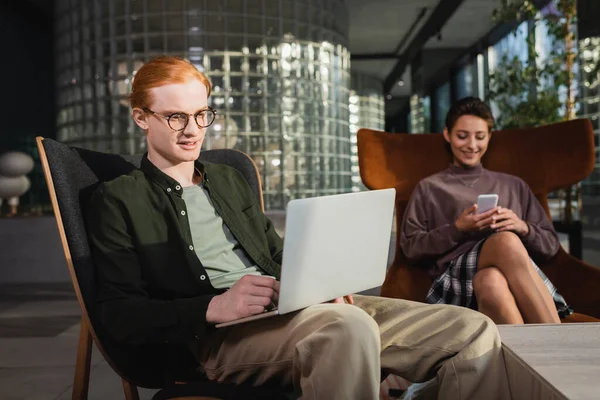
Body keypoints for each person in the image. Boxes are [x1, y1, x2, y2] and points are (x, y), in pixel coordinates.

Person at [86, 57, 511, 399]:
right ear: (142, 118)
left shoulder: (228, 180)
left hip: (298, 311)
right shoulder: (119, 199)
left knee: (471, 331)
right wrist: (214, 307)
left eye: (202, 114)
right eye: (177, 117)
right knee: (347, 329)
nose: (194, 130)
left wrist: (322, 281)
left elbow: (275, 256)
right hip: (216, 339)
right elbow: (119, 315)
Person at [401, 96, 571, 325]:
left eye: (480, 137)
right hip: (455, 283)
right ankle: (559, 340)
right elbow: (411, 248)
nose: (472, 145)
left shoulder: (514, 185)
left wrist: (521, 227)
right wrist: (457, 229)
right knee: (504, 242)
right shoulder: (429, 187)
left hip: (505, 282)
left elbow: (551, 247)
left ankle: (533, 359)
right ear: (447, 135)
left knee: (491, 281)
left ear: (489, 137)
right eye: (462, 136)